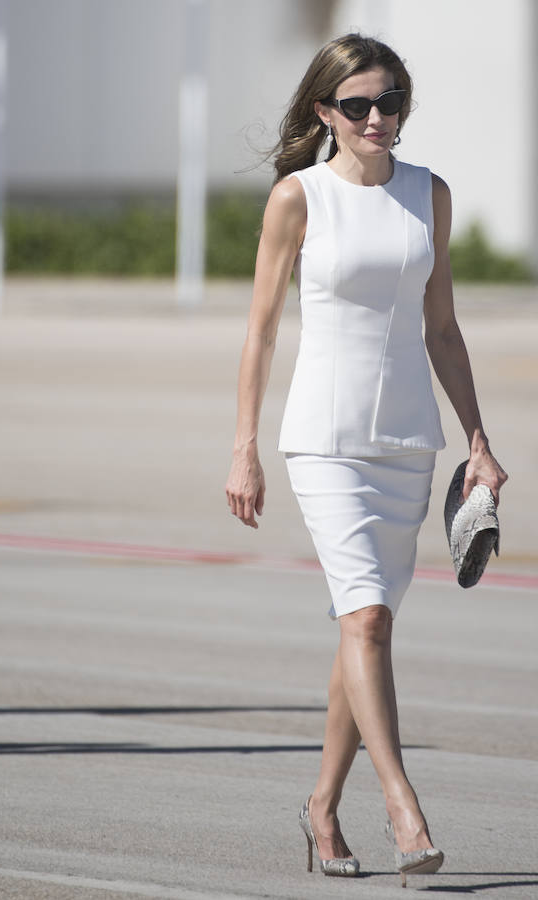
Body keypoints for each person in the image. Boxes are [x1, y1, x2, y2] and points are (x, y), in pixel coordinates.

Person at [225, 33, 507, 887]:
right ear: (325, 113)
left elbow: (443, 328)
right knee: (369, 621)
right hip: (323, 438)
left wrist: (480, 442)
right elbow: (262, 330)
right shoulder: (297, 198)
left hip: (407, 441)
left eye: (390, 103)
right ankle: (402, 806)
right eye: (357, 106)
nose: (377, 118)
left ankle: (319, 808)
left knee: (365, 623)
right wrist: (244, 449)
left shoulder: (430, 195)